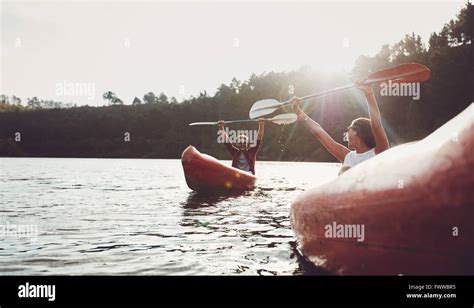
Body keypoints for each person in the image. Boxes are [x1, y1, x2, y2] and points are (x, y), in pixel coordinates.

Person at [291, 84, 389, 174]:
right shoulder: (347, 156)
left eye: (349, 129)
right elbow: (318, 131)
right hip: (348, 190)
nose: (346, 133)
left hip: (368, 190)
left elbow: (376, 124)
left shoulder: (379, 151)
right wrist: (298, 111)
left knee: (346, 169)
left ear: (357, 131)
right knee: (345, 169)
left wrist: (368, 92)